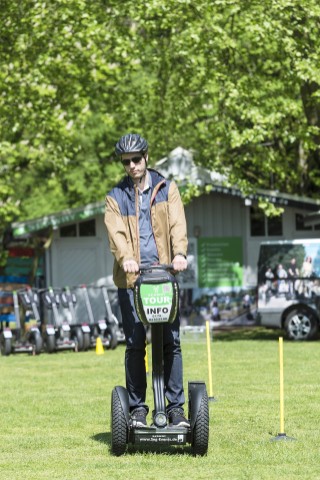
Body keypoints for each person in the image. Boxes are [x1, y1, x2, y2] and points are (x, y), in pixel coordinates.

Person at [104, 133, 189, 428]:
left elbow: (178, 223)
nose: (132, 165)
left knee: (171, 342)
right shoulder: (116, 197)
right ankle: (138, 409)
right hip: (132, 280)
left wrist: (179, 253)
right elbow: (116, 234)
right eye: (126, 161)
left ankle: (175, 408)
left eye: (136, 159)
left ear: (146, 157)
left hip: (164, 276)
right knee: (135, 343)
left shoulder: (167, 188)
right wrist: (127, 258)